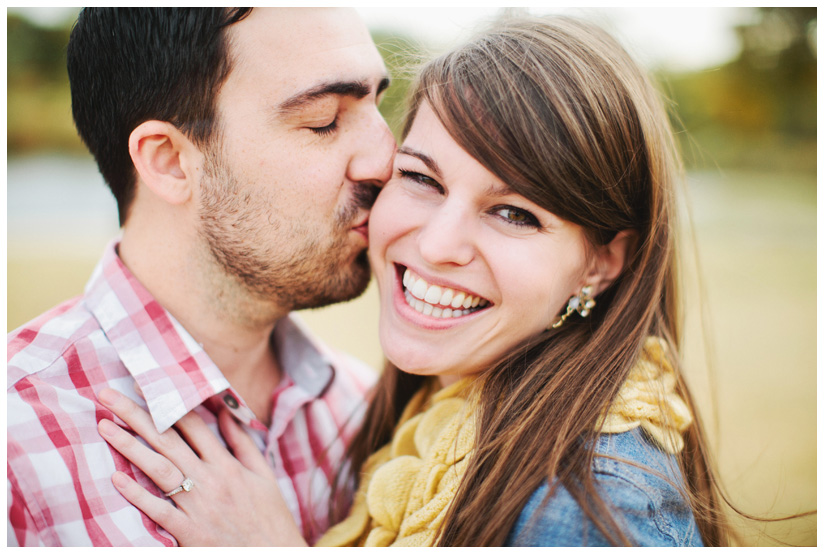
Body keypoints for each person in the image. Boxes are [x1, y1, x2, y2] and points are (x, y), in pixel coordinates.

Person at [94, 15, 732, 546]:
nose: (435, 244)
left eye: (514, 213)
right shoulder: (418, 423)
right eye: (422, 179)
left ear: (601, 262)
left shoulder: (591, 501)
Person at [7, 7, 396, 547]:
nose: (387, 159)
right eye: (324, 120)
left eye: (379, 105)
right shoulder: (17, 448)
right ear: (169, 160)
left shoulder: (366, 410)